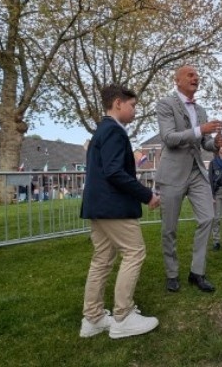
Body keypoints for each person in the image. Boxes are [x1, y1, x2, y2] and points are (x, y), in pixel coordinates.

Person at [79, 84, 160, 340]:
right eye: (132, 105)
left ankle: (92, 319)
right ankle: (123, 317)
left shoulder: (100, 131)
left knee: (101, 259)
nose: (135, 110)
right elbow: (115, 172)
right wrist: (147, 195)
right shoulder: (114, 131)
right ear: (117, 103)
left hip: (97, 206)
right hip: (114, 207)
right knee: (134, 253)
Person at [154, 64, 222, 293]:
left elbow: (203, 144)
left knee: (208, 217)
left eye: (197, 74)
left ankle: (197, 272)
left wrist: (215, 143)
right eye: (190, 75)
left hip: (196, 172)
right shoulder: (165, 104)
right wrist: (200, 130)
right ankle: (172, 273)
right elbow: (168, 138)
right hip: (172, 173)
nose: (196, 77)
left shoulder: (201, 111)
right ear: (178, 81)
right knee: (169, 228)